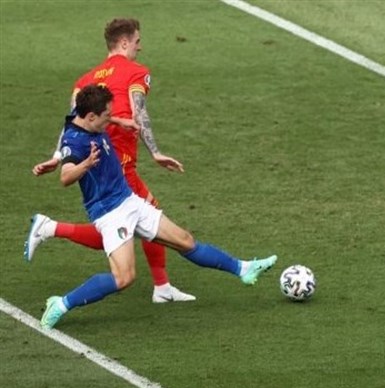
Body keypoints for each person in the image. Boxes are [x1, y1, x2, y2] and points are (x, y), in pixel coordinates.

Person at [37, 85, 277, 330]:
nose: (110, 119)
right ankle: (61, 304)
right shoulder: (74, 141)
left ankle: (243, 269)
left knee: (185, 241)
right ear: (90, 117)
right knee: (124, 277)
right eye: (107, 116)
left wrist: (119, 121)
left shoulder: (83, 115)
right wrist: (86, 164)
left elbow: (92, 116)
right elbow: (66, 177)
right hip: (110, 213)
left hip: (129, 200)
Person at [29, 18, 194, 304]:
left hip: (100, 162)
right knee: (135, 223)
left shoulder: (84, 81)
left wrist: (58, 156)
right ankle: (50, 228)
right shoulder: (136, 72)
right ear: (124, 42)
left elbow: (72, 123)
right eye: (137, 42)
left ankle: (162, 287)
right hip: (117, 165)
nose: (140, 48)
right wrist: (155, 151)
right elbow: (139, 114)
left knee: (134, 222)